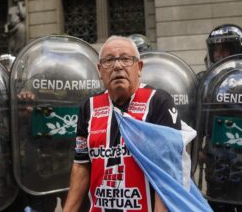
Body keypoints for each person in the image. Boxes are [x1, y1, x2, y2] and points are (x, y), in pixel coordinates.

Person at [63, 35, 181, 212]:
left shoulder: (158, 102)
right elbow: (81, 165)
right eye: (109, 60)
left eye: (126, 59)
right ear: (100, 70)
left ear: (139, 67)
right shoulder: (89, 107)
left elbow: (168, 172)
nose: (118, 66)